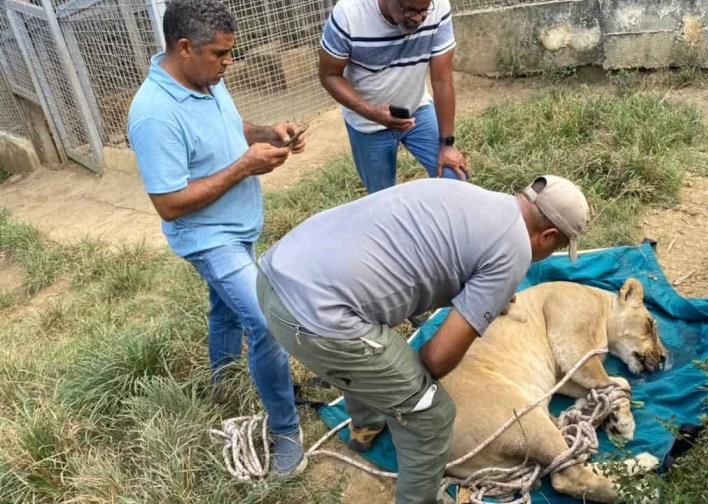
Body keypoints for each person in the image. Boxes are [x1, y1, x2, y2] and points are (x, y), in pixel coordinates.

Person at [257, 175, 590, 502]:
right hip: (317, 319)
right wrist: (413, 393)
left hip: (276, 274)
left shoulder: (470, 197)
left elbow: (433, 266)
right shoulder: (514, 250)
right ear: (547, 237)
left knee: (375, 345)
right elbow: (436, 357)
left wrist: (484, 297)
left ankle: (365, 427)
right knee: (431, 415)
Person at [127, 0, 306, 476]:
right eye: (220, 54)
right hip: (208, 237)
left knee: (225, 308)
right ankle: (285, 429)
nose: (230, 62)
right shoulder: (153, 114)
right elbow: (168, 203)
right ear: (184, 48)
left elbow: (230, 129)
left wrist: (265, 133)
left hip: (239, 224)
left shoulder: (205, 80)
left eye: (232, 52)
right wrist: (245, 166)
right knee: (268, 321)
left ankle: (224, 389)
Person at [318, 0, 469, 193]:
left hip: (417, 110)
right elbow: (329, 75)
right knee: (383, 198)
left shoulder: (438, 6)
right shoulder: (349, 14)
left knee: (454, 178)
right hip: (367, 124)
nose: (417, 18)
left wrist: (447, 145)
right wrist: (371, 112)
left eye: (423, 11)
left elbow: (442, 80)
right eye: (409, 10)